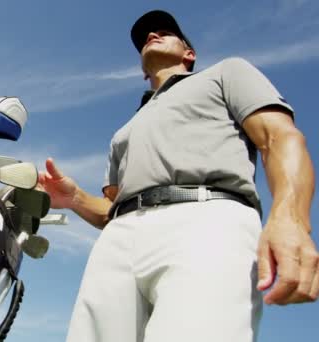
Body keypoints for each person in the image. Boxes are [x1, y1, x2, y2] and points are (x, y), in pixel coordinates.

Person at [37, 9, 318, 342]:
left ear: (190, 53)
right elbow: (110, 211)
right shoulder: (123, 132)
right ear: (142, 73)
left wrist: (291, 217)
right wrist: (75, 199)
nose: (152, 35)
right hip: (118, 239)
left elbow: (279, 137)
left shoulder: (226, 73)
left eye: (164, 32)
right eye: (145, 37)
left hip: (208, 219)